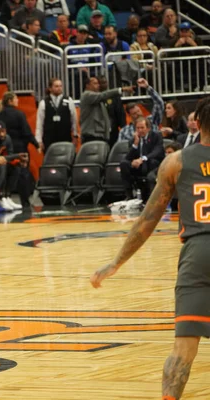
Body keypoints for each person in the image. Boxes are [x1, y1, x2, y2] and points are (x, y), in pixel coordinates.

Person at [91, 97, 210, 400]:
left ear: (200, 123)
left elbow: (147, 221)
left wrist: (115, 262)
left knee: (183, 350)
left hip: (196, 254)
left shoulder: (177, 162)